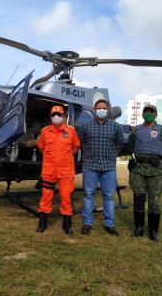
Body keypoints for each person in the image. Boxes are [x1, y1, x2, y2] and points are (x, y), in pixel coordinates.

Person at [127, 104, 162, 242]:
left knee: (154, 201)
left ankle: (154, 231)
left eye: (151, 112)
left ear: (156, 114)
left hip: (156, 171)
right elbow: (130, 147)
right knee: (138, 199)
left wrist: (160, 157)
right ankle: (139, 228)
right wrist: (132, 160)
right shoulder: (136, 130)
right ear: (142, 114)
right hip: (138, 170)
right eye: (146, 111)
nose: (148, 114)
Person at [77, 93, 124, 236]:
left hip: (108, 167)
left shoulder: (116, 127)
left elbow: (119, 144)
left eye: (104, 108)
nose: (102, 110)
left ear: (108, 110)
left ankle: (109, 224)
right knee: (88, 195)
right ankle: (87, 223)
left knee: (108, 196)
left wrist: (111, 156)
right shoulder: (85, 126)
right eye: (99, 108)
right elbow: (82, 143)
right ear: (94, 109)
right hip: (90, 166)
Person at [36, 105, 80, 234]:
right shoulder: (44, 131)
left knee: (66, 197)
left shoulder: (71, 131)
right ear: (50, 116)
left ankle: (67, 222)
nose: (56, 117)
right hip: (49, 171)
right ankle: (43, 221)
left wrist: (66, 156)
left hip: (66, 171)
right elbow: (40, 147)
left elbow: (76, 146)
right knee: (46, 196)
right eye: (54, 115)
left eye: (59, 115)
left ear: (63, 116)